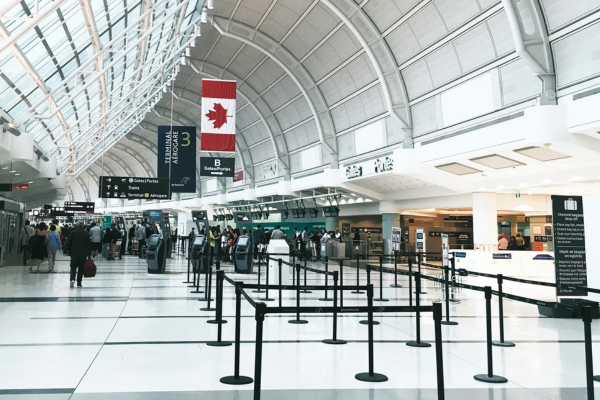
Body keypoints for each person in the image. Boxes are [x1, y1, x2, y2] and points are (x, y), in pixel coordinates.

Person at [63, 221, 91, 288]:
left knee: (73, 267)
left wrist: (65, 251)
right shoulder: (86, 233)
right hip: (83, 253)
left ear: (77, 226)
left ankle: (72, 280)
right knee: (81, 268)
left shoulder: (72, 233)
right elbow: (89, 244)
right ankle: (79, 283)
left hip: (74, 253)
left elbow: (68, 243)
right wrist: (89, 253)